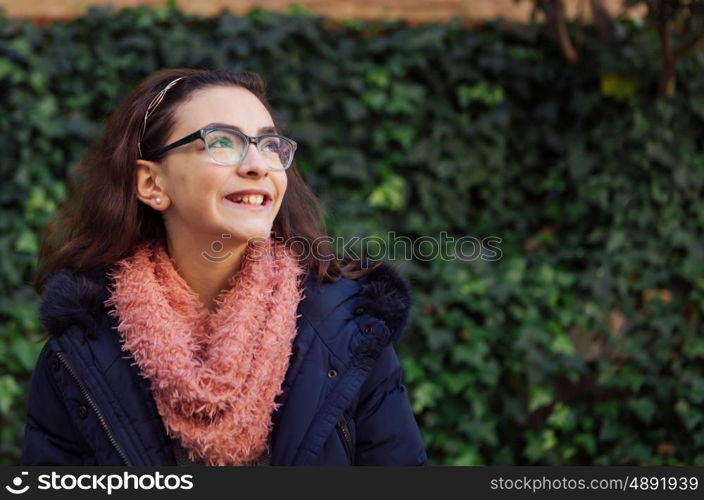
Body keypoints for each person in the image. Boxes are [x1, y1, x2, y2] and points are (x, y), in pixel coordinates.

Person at [20, 68, 427, 466]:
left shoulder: (351, 329)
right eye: (222, 141)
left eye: (270, 146)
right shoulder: (81, 349)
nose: (258, 165)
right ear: (151, 184)